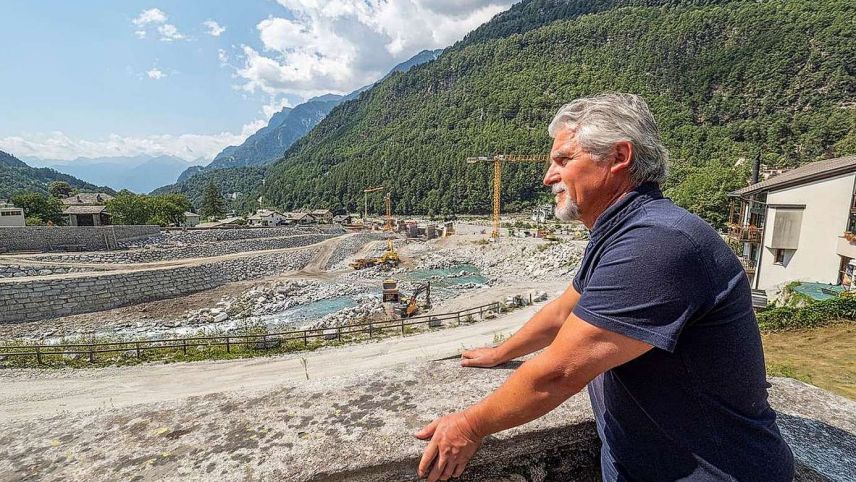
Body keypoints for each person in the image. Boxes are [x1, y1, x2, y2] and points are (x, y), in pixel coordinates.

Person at [415, 93, 794, 481]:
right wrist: (501, 352)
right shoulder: (623, 231)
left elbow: (559, 372)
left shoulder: (657, 243)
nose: (548, 176)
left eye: (563, 160)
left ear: (619, 157)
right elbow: (564, 311)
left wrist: (469, 426)